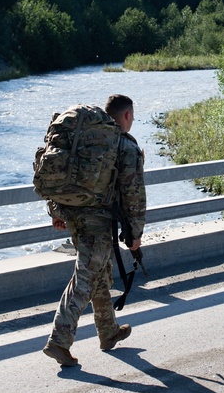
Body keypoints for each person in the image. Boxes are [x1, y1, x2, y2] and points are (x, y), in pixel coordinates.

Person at [42, 94, 146, 366]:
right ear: (126, 116)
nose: (132, 121)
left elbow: (53, 169)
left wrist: (57, 211)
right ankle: (59, 340)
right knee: (86, 276)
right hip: (97, 221)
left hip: (73, 214)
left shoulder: (83, 139)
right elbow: (133, 194)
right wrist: (135, 234)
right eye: (132, 116)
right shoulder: (124, 145)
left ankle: (108, 331)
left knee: (100, 272)